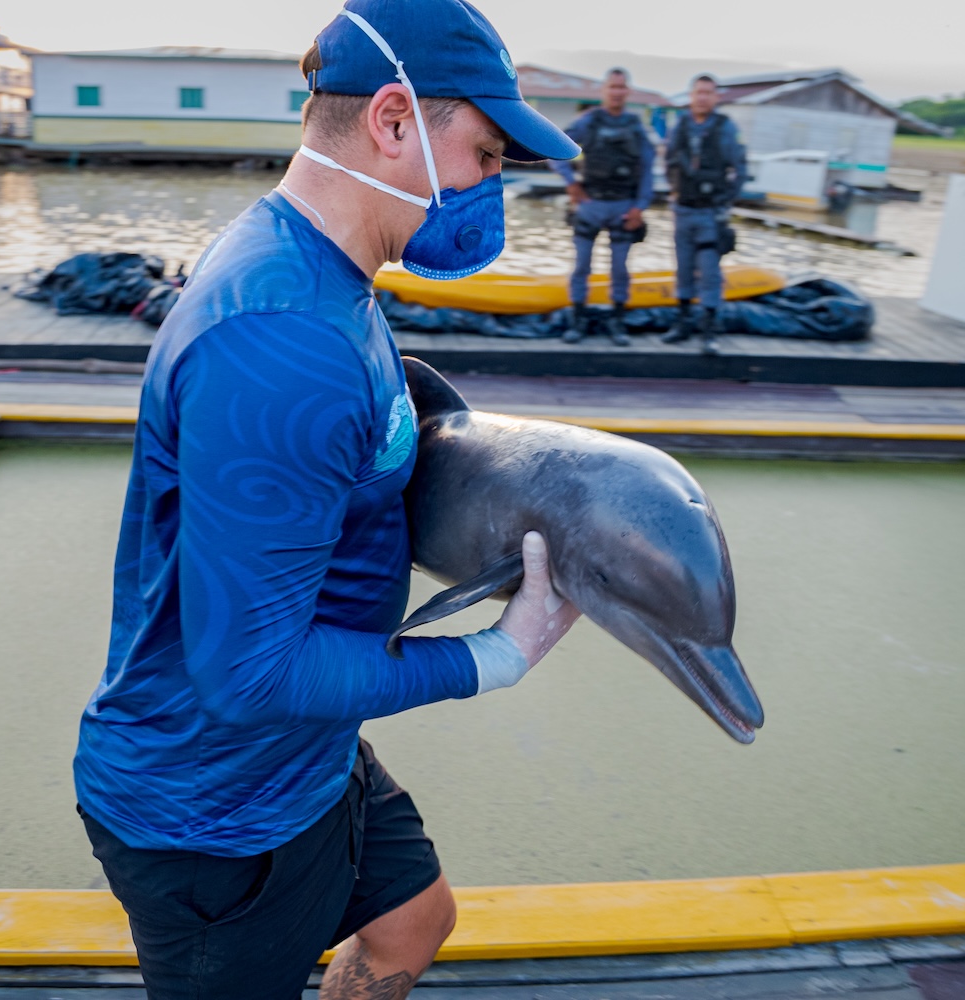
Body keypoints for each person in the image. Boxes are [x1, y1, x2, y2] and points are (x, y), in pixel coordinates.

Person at [71, 2, 583, 998]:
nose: (491, 188)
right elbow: (249, 676)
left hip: (306, 755)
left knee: (413, 921)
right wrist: (495, 656)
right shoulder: (282, 338)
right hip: (212, 810)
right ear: (394, 122)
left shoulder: (321, 268)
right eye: (484, 153)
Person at [549, 69, 656, 347]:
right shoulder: (588, 122)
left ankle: (617, 322)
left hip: (623, 205)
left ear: (627, 91)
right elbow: (554, 147)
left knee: (620, 268)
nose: (616, 92)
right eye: (612, 87)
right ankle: (577, 320)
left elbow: (647, 169)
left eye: (621, 87)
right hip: (591, 203)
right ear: (604, 90)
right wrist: (571, 183)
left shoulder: (636, 126)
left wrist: (640, 207)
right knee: (582, 265)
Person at [664, 73, 746, 348]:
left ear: (716, 97)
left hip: (711, 213)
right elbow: (669, 162)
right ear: (691, 96)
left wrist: (725, 201)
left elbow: (740, 168)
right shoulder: (680, 126)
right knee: (683, 269)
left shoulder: (725, 128)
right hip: (683, 210)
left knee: (710, 270)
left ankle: (710, 328)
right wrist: (675, 190)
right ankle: (683, 323)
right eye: (698, 92)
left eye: (708, 93)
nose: (702, 98)